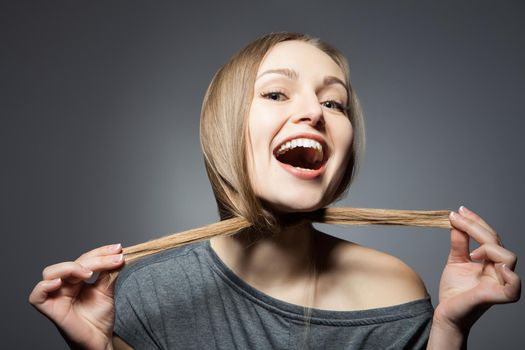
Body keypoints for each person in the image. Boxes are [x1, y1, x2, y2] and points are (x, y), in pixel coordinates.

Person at [29, 32, 520, 349]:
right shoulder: (149, 294)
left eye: (335, 102)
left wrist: (450, 331)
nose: (314, 112)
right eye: (276, 93)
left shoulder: (394, 288)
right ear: (225, 128)